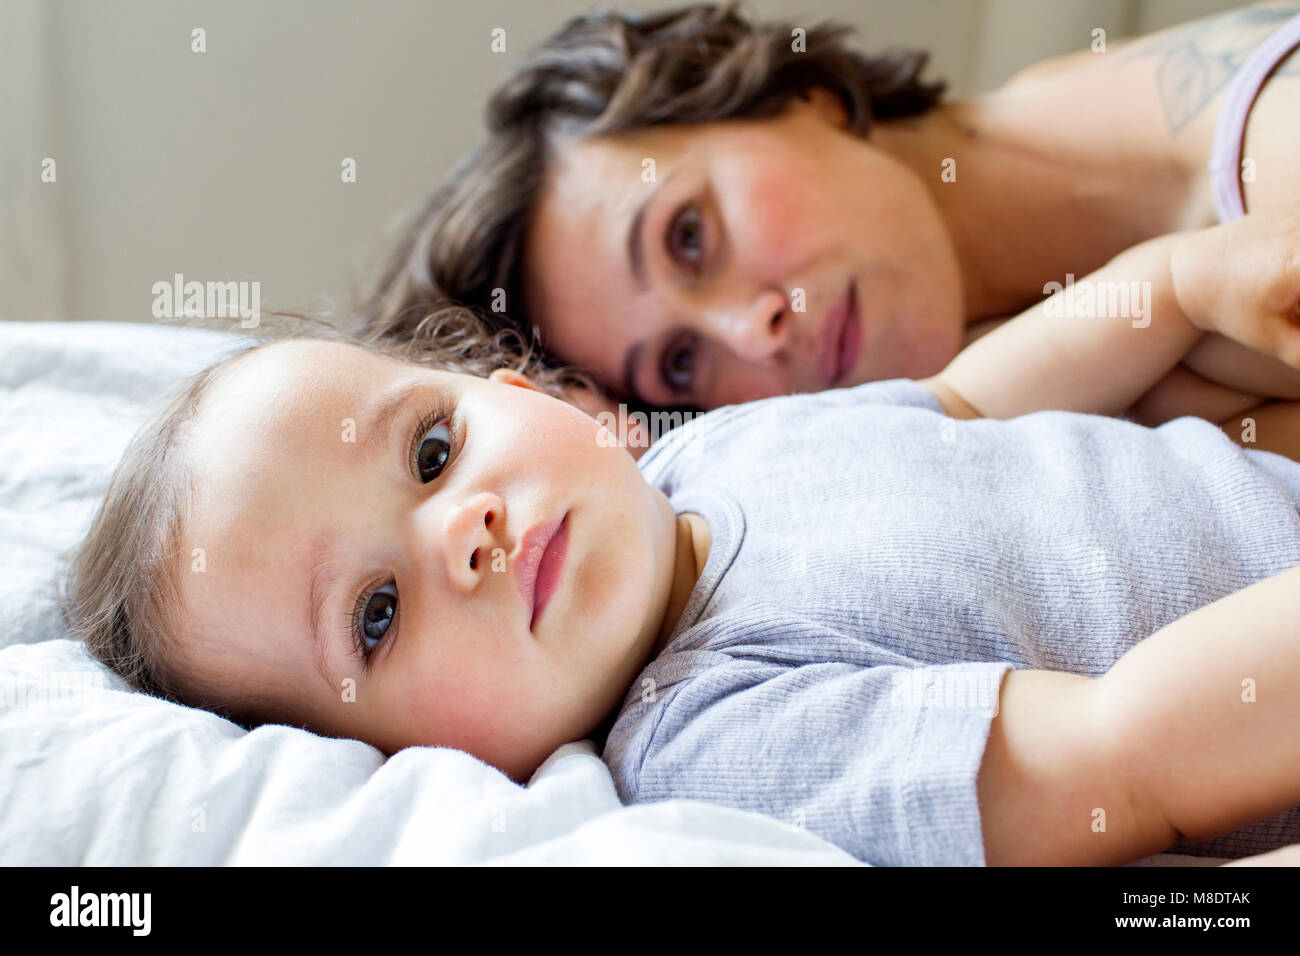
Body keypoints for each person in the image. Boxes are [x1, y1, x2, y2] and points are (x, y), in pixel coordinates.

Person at [62, 208, 1300, 865]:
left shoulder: (714, 454)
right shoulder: (712, 738)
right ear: (402, 761)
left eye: (432, 451)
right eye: (375, 614)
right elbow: (1121, 755)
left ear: (526, 390)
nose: (467, 530)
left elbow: (969, 401)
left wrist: (1177, 280)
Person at [356, 1, 1300, 438]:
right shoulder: (1032, 412)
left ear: (792, 93)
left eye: (689, 236)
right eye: (680, 366)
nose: (751, 329)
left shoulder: (1252, 128)